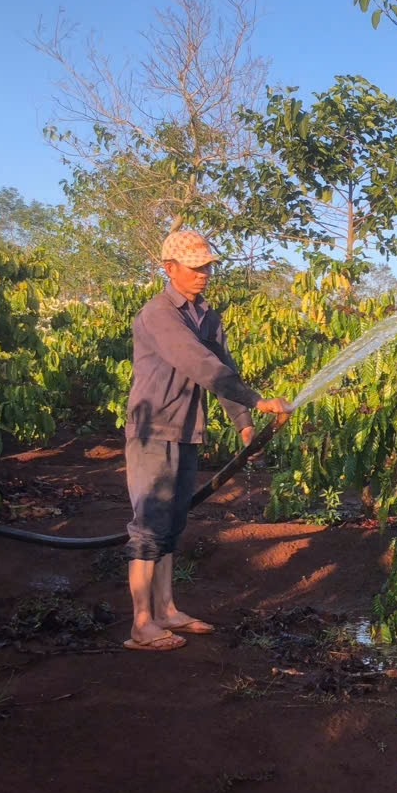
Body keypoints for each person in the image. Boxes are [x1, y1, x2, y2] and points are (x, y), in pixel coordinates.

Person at [122, 229, 294, 651]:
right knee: (149, 528)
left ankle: (166, 610)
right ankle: (141, 624)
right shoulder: (159, 314)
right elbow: (200, 365)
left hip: (185, 430)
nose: (204, 274)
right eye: (195, 267)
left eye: (208, 266)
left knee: (172, 526)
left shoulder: (207, 316)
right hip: (153, 430)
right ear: (170, 269)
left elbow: (223, 367)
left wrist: (243, 422)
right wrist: (256, 400)